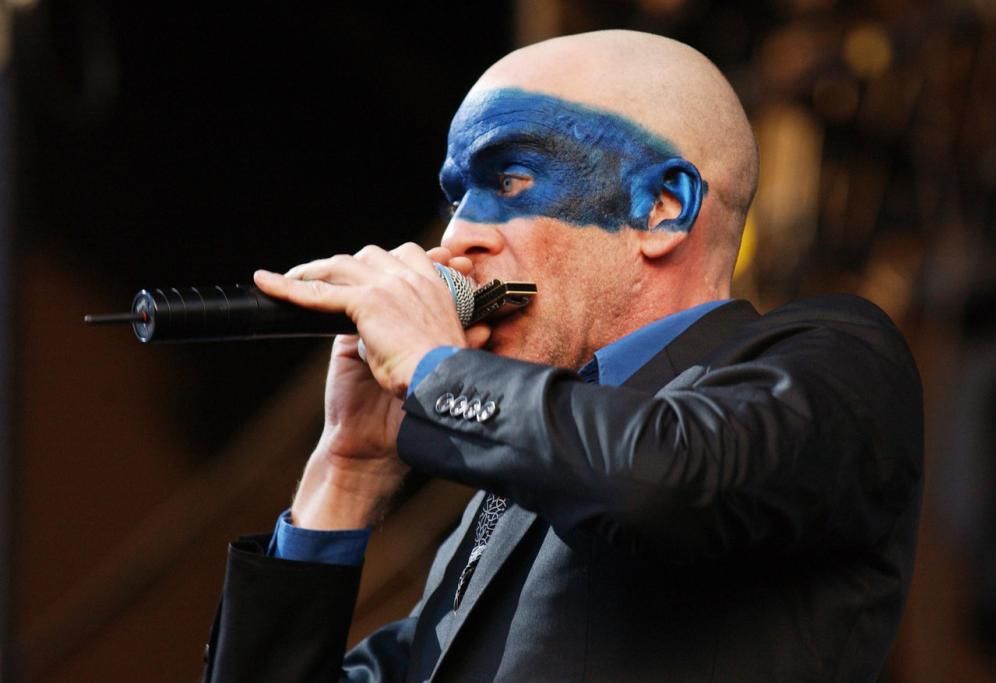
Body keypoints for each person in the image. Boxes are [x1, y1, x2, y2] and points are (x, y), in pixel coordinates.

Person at [203, 30, 923, 682]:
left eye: (509, 181)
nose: (455, 238)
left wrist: (435, 369)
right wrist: (347, 471)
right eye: (456, 199)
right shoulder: (503, 510)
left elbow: (662, 478)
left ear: (662, 206)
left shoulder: (840, 360)